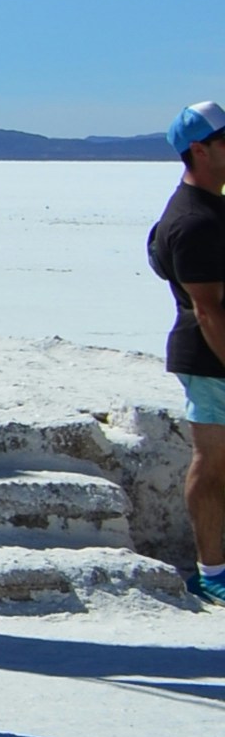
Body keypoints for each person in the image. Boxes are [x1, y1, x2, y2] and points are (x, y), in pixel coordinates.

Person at [145, 100, 225, 603]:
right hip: (212, 359)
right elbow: (210, 309)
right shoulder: (195, 221)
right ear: (199, 150)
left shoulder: (210, 208)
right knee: (214, 463)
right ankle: (214, 576)